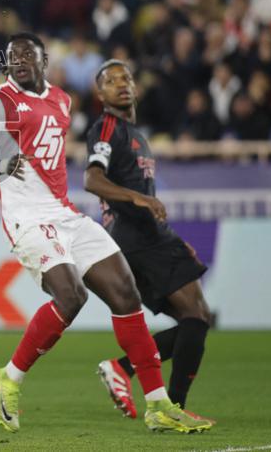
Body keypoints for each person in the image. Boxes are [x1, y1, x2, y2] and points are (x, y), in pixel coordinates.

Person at [0, 33, 213, 434]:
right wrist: (4, 161)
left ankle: (158, 404)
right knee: (71, 296)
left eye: (29, 55)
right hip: (27, 218)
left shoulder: (62, 101)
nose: (20, 62)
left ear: (45, 59)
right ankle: (9, 378)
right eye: (13, 58)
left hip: (66, 214)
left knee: (125, 291)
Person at [86, 60, 212, 417]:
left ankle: (124, 369)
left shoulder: (136, 134)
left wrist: (171, 237)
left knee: (194, 321)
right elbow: (93, 179)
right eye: (111, 81)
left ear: (136, 87)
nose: (121, 84)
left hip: (148, 237)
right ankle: (171, 407)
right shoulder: (107, 127)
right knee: (197, 315)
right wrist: (137, 198)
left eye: (126, 77)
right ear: (100, 94)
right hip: (136, 237)